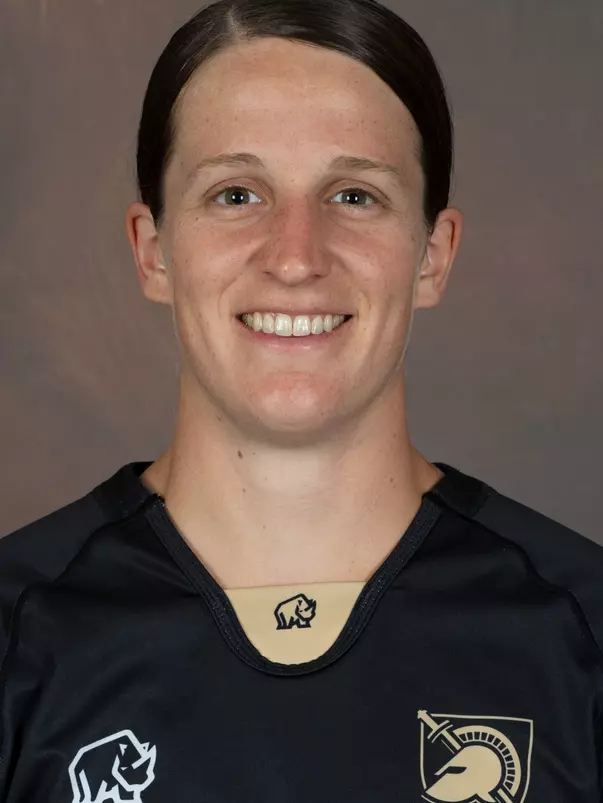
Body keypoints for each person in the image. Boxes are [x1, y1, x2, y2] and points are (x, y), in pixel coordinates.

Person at [1, 0, 602, 799]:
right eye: (236, 195)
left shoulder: (579, 631)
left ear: (432, 255)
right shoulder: (19, 633)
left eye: (353, 195)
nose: (295, 256)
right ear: (154, 252)